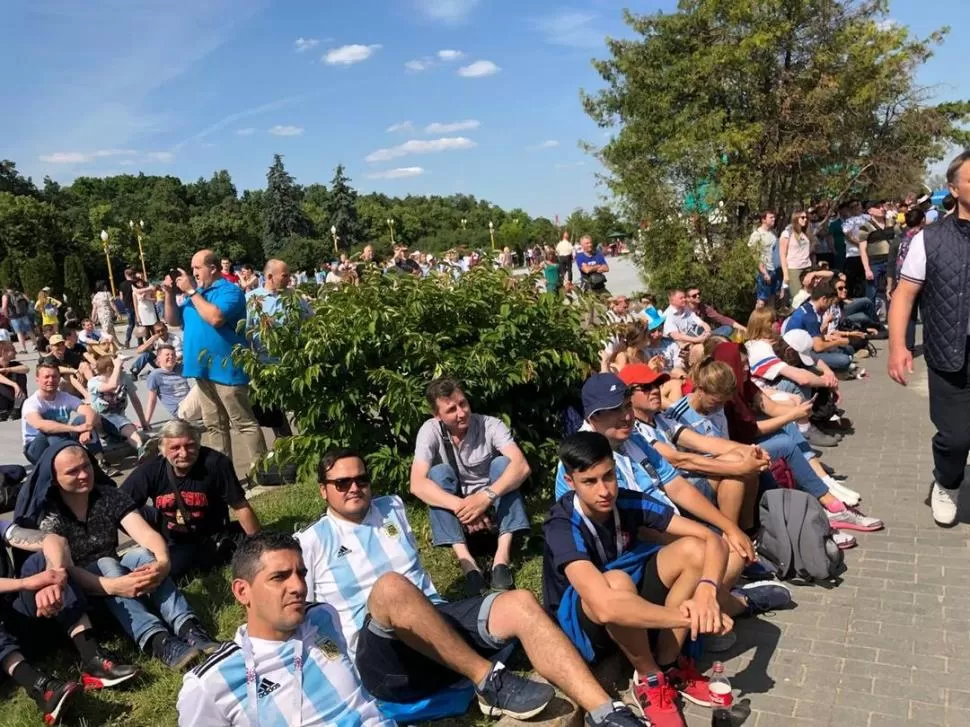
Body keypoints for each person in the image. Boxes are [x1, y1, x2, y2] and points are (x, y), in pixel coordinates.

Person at [298, 449, 644, 727]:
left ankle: (607, 712)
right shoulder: (311, 541)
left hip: (433, 619)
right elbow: (305, 619)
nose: (354, 487)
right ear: (322, 490)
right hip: (382, 655)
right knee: (391, 586)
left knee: (520, 602)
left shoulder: (392, 508)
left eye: (361, 479)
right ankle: (488, 680)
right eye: (342, 483)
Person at [544, 430, 733, 727]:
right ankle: (648, 678)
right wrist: (690, 618)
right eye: (590, 482)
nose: (604, 490)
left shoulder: (628, 502)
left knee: (694, 550)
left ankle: (669, 664)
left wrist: (707, 595)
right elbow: (605, 606)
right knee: (616, 582)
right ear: (570, 482)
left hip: (630, 597)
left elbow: (712, 540)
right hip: (584, 622)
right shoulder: (562, 524)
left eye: (608, 476)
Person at [22, 441, 219, 669]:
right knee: (107, 562)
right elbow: (65, 570)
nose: (84, 474)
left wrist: (163, 561)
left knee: (143, 555)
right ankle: (158, 640)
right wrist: (114, 586)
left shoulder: (107, 496)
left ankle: (189, 627)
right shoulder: (50, 517)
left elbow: (144, 532)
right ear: (55, 479)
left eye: (86, 466)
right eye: (72, 472)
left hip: (118, 575)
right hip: (85, 592)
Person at [177, 532, 397, 727]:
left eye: (301, 574)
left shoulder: (323, 616)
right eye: (279, 577)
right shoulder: (210, 683)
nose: (299, 587)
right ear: (242, 591)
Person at [889, 150, 970, 527]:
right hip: (950, 352)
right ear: (953, 189)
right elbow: (905, 294)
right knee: (956, 438)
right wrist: (897, 347)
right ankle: (947, 482)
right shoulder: (929, 240)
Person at [0, 519, 139, 722]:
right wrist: (26, 583)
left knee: (42, 561)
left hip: (20, 623)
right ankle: (40, 687)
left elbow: (54, 541)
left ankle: (93, 658)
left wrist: (53, 578)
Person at [409, 377, 531, 594]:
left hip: (493, 506)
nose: (461, 413)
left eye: (463, 404)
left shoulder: (491, 425)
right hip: (461, 513)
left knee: (504, 464)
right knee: (437, 474)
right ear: (437, 416)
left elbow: (522, 466)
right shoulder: (429, 431)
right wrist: (464, 507)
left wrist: (485, 498)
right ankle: (468, 564)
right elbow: (417, 484)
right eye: (451, 410)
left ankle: (501, 560)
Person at [165, 249, 267, 480]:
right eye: (191, 270)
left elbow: (216, 318)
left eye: (197, 268)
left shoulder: (229, 290)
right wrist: (170, 294)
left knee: (242, 422)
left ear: (212, 268)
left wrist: (191, 291)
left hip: (227, 368)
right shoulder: (196, 295)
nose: (194, 274)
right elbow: (172, 320)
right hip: (202, 370)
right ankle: (223, 478)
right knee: (214, 425)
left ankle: (262, 472)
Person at [122, 419, 260, 580]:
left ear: (199, 444)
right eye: (175, 448)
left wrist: (259, 546)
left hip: (207, 535)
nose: (184, 453)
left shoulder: (216, 463)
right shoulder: (150, 469)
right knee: (130, 513)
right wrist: (150, 540)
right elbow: (118, 507)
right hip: (171, 536)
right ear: (162, 450)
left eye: (190, 445)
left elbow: (240, 506)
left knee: (180, 570)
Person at [20, 360, 110, 470]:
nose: (51, 380)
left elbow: (90, 411)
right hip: (36, 449)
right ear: (37, 380)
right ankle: (71, 466)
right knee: (53, 431)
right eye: (46, 377)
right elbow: (41, 425)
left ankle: (100, 461)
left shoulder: (64, 397)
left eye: (54, 376)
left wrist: (87, 428)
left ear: (59, 379)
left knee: (82, 419)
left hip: (61, 440)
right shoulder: (31, 402)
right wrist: (76, 428)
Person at [86, 355, 153, 461]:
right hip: (100, 422)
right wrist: (117, 365)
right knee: (115, 419)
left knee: (127, 427)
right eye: (120, 366)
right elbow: (112, 385)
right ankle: (102, 456)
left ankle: (141, 449)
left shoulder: (125, 378)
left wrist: (143, 422)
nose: (122, 368)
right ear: (110, 369)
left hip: (118, 421)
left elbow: (135, 400)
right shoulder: (94, 382)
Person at [781, 281, 856, 374]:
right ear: (824, 299)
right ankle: (819, 370)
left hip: (805, 346)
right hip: (799, 352)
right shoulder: (811, 317)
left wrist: (826, 336)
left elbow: (815, 336)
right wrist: (838, 341)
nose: (830, 306)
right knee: (844, 360)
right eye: (830, 302)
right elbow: (818, 347)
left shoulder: (808, 308)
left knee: (849, 350)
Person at [856, 200, 895, 314]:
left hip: (890, 261)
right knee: (871, 292)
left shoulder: (891, 222)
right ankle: (871, 319)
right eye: (878, 207)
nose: (882, 209)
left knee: (891, 290)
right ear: (870, 211)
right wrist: (867, 269)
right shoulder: (865, 227)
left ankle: (891, 317)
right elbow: (862, 249)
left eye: (882, 206)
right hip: (875, 263)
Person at [145, 345, 192, 421]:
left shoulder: (180, 368)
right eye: (167, 355)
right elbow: (152, 400)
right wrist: (146, 421)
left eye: (173, 355)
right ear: (159, 358)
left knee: (204, 384)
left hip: (192, 404)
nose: (171, 357)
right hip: (180, 410)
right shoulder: (155, 375)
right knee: (198, 389)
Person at [663, 289, 710, 364]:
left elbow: (701, 323)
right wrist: (697, 339)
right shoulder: (668, 315)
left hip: (695, 337)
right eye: (681, 298)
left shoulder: (686, 309)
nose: (684, 299)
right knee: (700, 349)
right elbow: (676, 336)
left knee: (723, 332)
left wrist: (708, 332)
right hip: (679, 346)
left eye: (684, 297)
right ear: (672, 301)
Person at [749, 210, 781, 307]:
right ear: (763, 219)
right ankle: (757, 321)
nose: (773, 219)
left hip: (774, 270)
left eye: (774, 217)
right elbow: (754, 255)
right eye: (771, 217)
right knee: (761, 300)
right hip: (764, 271)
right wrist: (764, 272)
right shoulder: (757, 234)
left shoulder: (773, 234)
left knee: (772, 298)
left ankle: (769, 320)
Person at [779, 211, 814, 298]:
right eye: (802, 217)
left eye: (806, 218)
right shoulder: (787, 233)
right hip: (794, 269)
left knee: (809, 296)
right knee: (798, 297)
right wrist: (786, 274)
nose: (805, 220)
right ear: (796, 218)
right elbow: (782, 255)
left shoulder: (805, 233)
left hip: (807, 267)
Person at [0, 340, 28, 421]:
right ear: (3, 352)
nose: (16, 352)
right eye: (13, 350)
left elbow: (26, 368)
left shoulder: (14, 364)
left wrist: (7, 369)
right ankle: (3, 410)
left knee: (20, 372)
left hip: (16, 398)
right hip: (3, 400)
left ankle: (17, 407)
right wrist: (14, 384)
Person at [3, 287, 33, 354]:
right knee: (29, 331)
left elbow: (4, 307)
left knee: (19, 333)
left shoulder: (6, 296)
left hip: (14, 317)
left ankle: (24, 349)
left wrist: (6, 315)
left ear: (6, 288)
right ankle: (36, 346)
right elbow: (28, 300)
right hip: (23, 314)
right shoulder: (19, 293)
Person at [118, 269, 137, 348]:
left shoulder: (122, 284)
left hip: (128, 306)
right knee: (139, 323)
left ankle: (127, 341)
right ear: (132, 274)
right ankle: (140, 341)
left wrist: (125, 303)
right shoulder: (135, 283)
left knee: (130, 325)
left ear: (125, 275)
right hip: (137, 305)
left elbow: (121, 297)